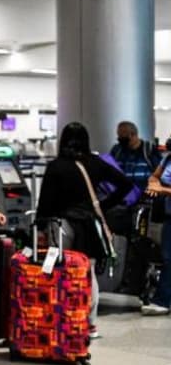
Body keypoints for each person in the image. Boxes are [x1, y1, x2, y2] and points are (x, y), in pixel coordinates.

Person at [36, 122, 134, 335]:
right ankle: (89, 325)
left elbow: (45, 201)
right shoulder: (95, 163)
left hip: (61, 225)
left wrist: (39, 225)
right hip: (89, 226)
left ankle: (62, 319)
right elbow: (126, 184)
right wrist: (102, 205)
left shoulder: (56, 166)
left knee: (60, 271)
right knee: (87, 273)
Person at [140, 152, 171, 316]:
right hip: (168, 215)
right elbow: (154, 176)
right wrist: (153, 182)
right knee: (167, 257)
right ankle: (163, 300)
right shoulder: (167, 158)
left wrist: (162, 190)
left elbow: (162, 188)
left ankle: (163, 300)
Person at [109, 121, 159, 190]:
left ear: (133, 135)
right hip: (123, 194)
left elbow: (159, 172)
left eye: (122, 137)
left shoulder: (149, 149)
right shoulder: (117, 150)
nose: (120, 140)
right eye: (119, 136)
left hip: (145, 193)